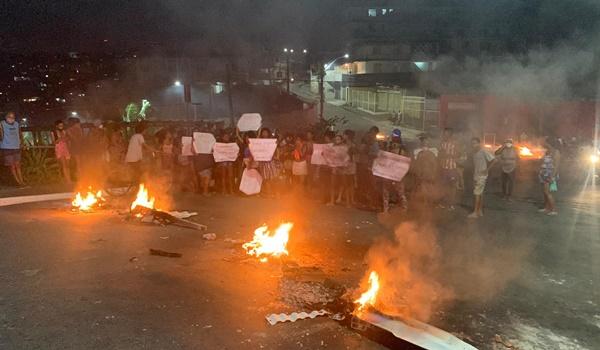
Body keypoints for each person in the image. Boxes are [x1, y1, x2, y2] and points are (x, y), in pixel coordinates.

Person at [468, 137, 497, 218]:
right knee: (480, 193)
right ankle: (480, 210)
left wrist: (487, 170)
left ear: (479, 143)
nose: (473, 145)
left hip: (482, 176)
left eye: (475, 143)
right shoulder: (474, 153)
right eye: (472, 143)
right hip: (476, 175)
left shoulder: (483, 151)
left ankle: (475, 213)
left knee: (477, 193)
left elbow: (495, 160)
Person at [381, 129, 408, 213]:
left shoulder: (402, 149)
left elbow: (404, 162)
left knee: (400, 193)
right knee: (386, 191)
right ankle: (386, 209)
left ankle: (404, 210)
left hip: (397, 173)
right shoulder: (389, 146)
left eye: (395, 136)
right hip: (389, 172)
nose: (394, 138)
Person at [412, 135, 438, 206]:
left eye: (426, 141)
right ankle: (423, 204)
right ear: (421, 143)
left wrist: (434, 174)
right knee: (422, 189)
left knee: (429, 190)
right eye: (423, 141)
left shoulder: (432, 153)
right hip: (421, 174)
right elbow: (416, 164)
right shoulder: (418, 152)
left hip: (429, 174)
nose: (425, 143)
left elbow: (434, 165)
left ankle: (428, 204)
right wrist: (417, 174)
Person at [0, 112, 25, 186]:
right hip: (7, 147)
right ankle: (18, 182)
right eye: (9, 117)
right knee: (12, 166)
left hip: (16, 146)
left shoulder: (16, 124)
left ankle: (22, 181)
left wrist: (22, 142)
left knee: (18, 165)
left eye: (13, 117)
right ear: (6, 117)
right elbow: (1, 135)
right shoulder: (2, 124)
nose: (11, 118)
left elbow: (20, 133)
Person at [538, 137, 561, 216]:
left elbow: (557, 165)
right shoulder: (548, 151)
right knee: (544, 192)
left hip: (550, 175)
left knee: (548, 192)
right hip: (544, 174)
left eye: (545, 142)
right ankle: (546, 207)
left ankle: (553, 210)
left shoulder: (556, 152)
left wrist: (552, 176)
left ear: (549, 143)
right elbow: (543, 161)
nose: (544, 144)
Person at [326, 134, 349, 206]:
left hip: (342, 168)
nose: (337, 141)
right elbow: (329, 156)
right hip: (335, 167)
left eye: (338, 139)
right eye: (336, 139)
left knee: (344, 184)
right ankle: (332, 201)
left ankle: (346, 202)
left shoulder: (345, 147)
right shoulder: (332, 147)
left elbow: (347, 157)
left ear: (342, 140)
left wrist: (343, 164)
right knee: (333, 184)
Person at [438, 128, 459, 209]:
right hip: (444, 168)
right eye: (444, 134)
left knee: (452, 186)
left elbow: (459, 154)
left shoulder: (455, 144)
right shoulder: (442, 143)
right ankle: (443, 202)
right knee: (443, 185)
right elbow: (440, 154)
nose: (445, 135)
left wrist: (449, 155)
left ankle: (451, 203)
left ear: (450, 134)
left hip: (452, 168)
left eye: (447, 134)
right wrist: (441, 155)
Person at [216, 130, 235, 194]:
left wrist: (236, 154)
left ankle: (231, 190)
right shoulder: (219, 145)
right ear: (222, 137)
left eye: (227, 136)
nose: (227, 137)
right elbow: (216, 152)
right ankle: (224, 190)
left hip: (230, 162)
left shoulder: (232, 145)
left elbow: (235, 152)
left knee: (230, 176)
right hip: (222, 162)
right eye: (225, 136)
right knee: (223, 177)